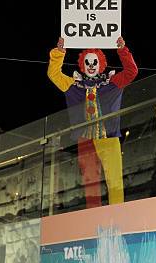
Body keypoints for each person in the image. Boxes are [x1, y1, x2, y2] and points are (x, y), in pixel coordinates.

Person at [47, 36, 138, 208]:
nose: (91, 65)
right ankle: (93, 220)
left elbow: (131, 72)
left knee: (115, 182)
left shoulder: (112, 84)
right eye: (87, 62)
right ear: (82, 64)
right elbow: (53, 74)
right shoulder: (73, 85)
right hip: (85, 141)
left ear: (101, 64)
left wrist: (122, 50)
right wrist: (59, 53)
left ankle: (118, 216)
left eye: (94, 62)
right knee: (91, 185)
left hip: (109, 138)